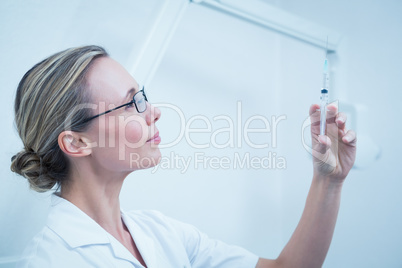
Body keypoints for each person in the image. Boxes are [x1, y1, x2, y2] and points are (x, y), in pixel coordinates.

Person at [11, 45, 357, 268]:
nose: (154, 112)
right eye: (131, 103)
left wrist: (329, 180)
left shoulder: (161, 233)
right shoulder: (51, 260)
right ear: (76, 143)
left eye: (142, 96)